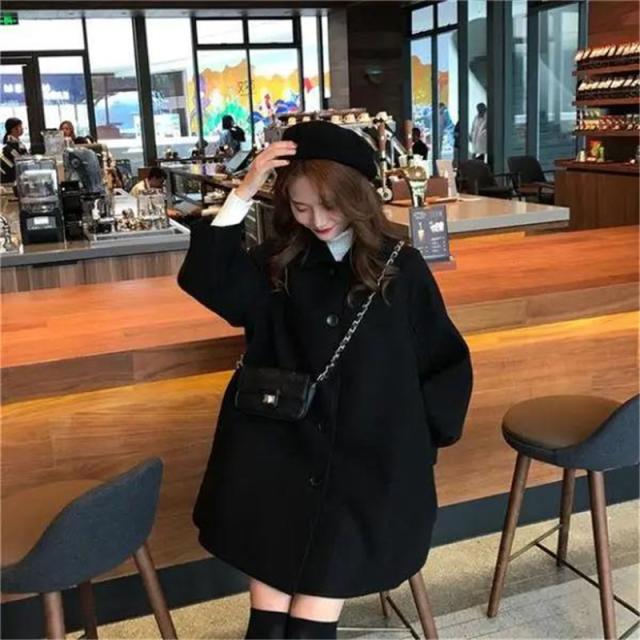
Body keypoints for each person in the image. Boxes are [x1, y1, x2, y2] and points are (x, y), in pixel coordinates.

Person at [177, 121, 473, 640]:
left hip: (365, 470)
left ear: (358, 198)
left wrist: (415, 442)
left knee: (308, 624)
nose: (317, 221)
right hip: (277, 458)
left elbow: (444, 362)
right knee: (268, 624)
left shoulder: (400, 268)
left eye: (330, 206)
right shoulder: (277, 264)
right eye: (301, 207)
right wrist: (244, 189)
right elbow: (210, 281)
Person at [1, 118, 28, 184]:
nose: (22, 128)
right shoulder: (10, 145)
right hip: (11, 179)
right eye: (20, 126)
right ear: (13, 129)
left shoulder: (17, 142)